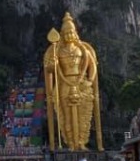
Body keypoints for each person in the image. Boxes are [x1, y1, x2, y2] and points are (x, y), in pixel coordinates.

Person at [44, 12, 103, 151]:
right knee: (66, 114)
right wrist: (53, 63)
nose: (69, 34)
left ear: (75, 32)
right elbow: (50, 69)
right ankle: (70, 142)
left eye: (71, 31)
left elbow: (92, 65)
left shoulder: (83, 49)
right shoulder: (57, 51)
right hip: (64, 83)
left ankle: (81, 142)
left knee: (83, 114)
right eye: (66, 32)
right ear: (62, 33)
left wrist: (89, 80)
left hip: (81, 82)